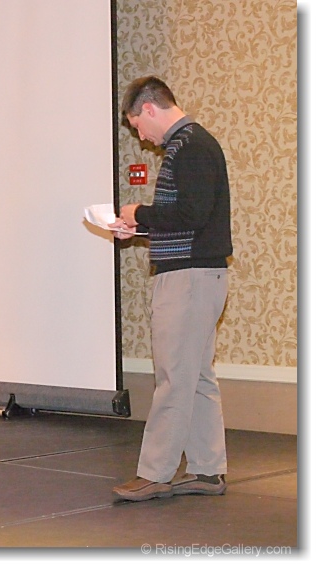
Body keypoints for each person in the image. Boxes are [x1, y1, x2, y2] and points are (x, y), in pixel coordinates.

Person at [109, 76, 233, 501]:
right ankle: (207, 470)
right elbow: (191, 217)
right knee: (195, 377)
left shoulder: (190, 146)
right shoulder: (190, 144)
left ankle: (155, 472)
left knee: (174, 378)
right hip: (199, 274)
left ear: (149, 109)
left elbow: (192, 214)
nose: (141, 137)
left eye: (137, 126)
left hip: (189, 278)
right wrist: (140, 227)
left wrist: (139, 213)